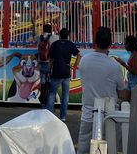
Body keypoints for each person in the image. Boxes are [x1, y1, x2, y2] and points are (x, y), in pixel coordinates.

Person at [77, 26, 130, 154]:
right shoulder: (114, 66)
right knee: (109, 148)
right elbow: (123, 94)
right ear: (110, 43)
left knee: (84, 149)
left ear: (95, 41)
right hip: (109, 115)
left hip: (88, 114)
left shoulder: (84, 60)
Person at [46, 28, 81, 121]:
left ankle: (49, 116)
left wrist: (48, 71)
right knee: (65, 95)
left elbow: (51, 60)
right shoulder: (70, 44)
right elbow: (79, 55)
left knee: (52, 93)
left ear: (59, 35)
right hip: (66, 72)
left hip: (56, 71)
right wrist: (74, 66)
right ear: (68, 35)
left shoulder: (55, 44)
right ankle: (63, 117)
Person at [37, 24, 59, 100]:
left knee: (42, 79)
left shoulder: (39, 37)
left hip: (42, 62)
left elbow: (32, 38)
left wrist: (33, 26)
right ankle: (49, 96)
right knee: (50, 80)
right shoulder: (55, 37)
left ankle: (43, 94)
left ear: (43, 30)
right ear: (50, 30)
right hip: (51, 62)